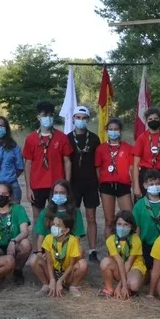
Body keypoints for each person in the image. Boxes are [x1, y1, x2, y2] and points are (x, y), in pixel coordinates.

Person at [22, 101, 73, 220]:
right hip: (37, 185)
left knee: (57, 218)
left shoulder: (62, 137)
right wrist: (28, 188)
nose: (48, 118)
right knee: (37, 218)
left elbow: (67, 161)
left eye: (50, 115)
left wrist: (67, 184)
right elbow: (28, 163)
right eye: (44, 115)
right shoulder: (31, 139)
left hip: (57, 185)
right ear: (38, 117)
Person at [67, 106, 102, 261]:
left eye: (84, 118)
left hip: (90, 183)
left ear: (88, 120)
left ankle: (92, 250)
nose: (81, 120)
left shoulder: (94, 139)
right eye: (78, 117)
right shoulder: (67, 138)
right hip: (73, 184)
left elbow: (98, 163)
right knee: (73, 216)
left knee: (91, 217)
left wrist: (99, 182)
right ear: (73, 119)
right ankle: (73, 248)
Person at [32, 213, 88, 297]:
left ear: (66, 230)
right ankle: (46, 285)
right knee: (34, 259)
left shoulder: (72, 241)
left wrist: (60, 280)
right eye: (54, 224)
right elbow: (49, 262)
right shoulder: (48, 238)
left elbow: (71, 265)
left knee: (83, 264)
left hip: (67, 274)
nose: (54, 227)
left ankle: (72, 286)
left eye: (58, 225)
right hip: (53, 272)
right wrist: (52, 279)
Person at [96, 118, 134, 241]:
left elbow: (132, 168)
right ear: (107, 131)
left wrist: (134, 185)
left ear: (120, 130)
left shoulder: (128, 148)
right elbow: (98, 168)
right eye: (110, 129)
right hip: (107, 186)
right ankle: (110, 249)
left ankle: (128, 247)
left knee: (129, 218)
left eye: (116, 129)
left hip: (123, 185)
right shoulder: (101, 149)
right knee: (109, 220)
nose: (113, 131)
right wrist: (99, 185)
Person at [132, 170, 160, 272]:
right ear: (145, 185)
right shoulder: (138, 205)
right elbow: (136, 230)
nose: (155, 186)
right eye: (151, 184)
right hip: (146, 245)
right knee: (146, 274)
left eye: (157, 184)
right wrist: (137, 251)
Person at [31, 181, 86, 262]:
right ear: (52, 194)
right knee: (34, 260)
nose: (58, 195)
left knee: (81, 253)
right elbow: (41, 236)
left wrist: (70, 253)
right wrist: (39, 252)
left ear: (68, 194)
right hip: (49, 250)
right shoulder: (45, 212)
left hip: (68, 249)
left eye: (62, 193)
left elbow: (77, 237)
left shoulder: (76, 212)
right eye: (56, 192)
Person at [0, 182, 32, 283]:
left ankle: (17, 271)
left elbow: (25, 232)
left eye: (4, 194)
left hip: (15, 243)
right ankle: (0, 272)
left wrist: (13, 241)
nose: (0, 196)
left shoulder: (18, 209)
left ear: (10, 196)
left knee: (26, 244)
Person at [99, 211, 146, 299]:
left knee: (134, 285)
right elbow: (119, 261)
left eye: (126, 225)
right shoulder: (110, 240)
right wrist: (122, 285)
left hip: (133, 267)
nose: (122, 227)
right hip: (119, 266)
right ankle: (109, 289)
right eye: (119, 224)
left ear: (131, 226)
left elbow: (129, 263)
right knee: (105, 262)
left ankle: (128, 287)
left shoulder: (136, 240)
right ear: (115, 225)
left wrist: (120, 286)